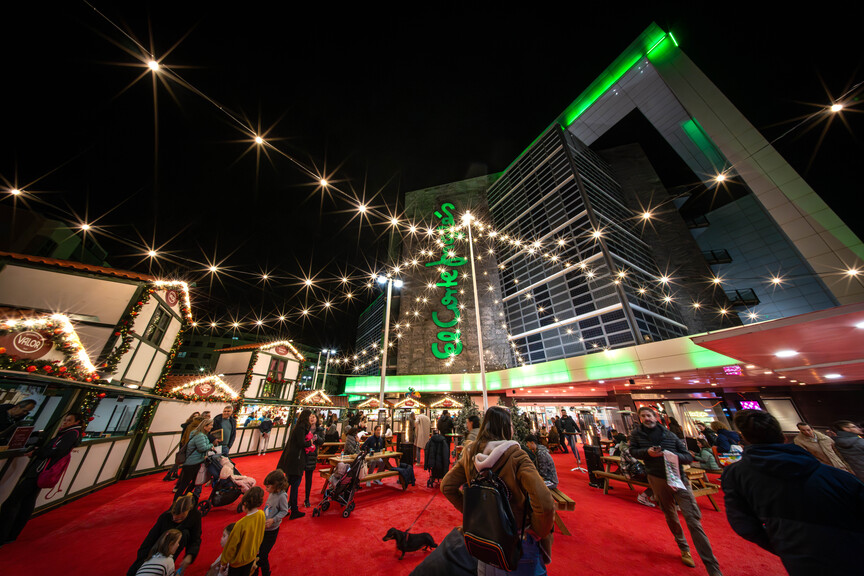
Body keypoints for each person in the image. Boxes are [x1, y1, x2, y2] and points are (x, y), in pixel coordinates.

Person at [722, 409, 864, 575]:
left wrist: (784, 545)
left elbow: (743, 524)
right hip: (852, 550)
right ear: (783, 436)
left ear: (744, 438)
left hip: (798, 557)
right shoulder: (836, 476)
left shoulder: (736, 474)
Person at [441, 406, 556, 575]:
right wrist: (537, 531)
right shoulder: (516, 456)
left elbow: (447, 486)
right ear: (504, 427)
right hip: (517, 543)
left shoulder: (470, 452)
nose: (513, 428)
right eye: (510, 425)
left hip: (484, 542)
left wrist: (475, 515)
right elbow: (545, 503)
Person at [629, 406, 722, 575]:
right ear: (640, 418)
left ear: (656, 416)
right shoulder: (637, 435)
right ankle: (683, 547)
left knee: (692, 519)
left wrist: (672, 456)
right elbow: (633, 452)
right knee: (670, 514)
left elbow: (687, 456)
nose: (646, 418)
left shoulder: (670, 434)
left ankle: (712, 567)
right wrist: (648, 453)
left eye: (649, 415)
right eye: (643, 416)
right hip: (657, 478)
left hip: (679, 478)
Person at [0, 411, 83, 545]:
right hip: (43, 471)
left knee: (13, 501)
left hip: (41, 470)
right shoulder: (70, 434)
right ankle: (11, 534)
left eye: (68, 420)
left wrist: (38, 452)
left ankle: (4, 534)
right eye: (65, 420)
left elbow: (56, 451)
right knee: (27, 501)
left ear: (76, 422)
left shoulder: (70, 434)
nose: (65, 422)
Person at [127, 494, 202, 576]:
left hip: (169, 550)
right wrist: (143, 561)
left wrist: (190, 555)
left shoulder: (195, 516)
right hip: (157, 549)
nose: (174, 519)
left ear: (188, 511)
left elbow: (195, 538)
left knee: (184, 534)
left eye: (180, 518)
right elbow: (149, 540)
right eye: (173, 516)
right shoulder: (165, 517)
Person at [220, 486, 266, 576]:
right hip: (252, 556)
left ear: (244, 504)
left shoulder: (240, 524)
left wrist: (224, 562)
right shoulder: (261, 514)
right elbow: (260, 534)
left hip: (238, 563)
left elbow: (231, 546)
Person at [277, 408, 312, 519]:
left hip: (292, 460)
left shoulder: (298, 427)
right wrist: (309, 443)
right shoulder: (301, 428)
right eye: (310, 416)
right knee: (294, 485)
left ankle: (281, 508)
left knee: (287, 485)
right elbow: (301, 443)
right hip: (296, 460)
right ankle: (293, 509)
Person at [175, 418, 219, 500]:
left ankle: (184, 499)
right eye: (210, 425)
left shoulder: (199, 435)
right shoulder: (200, 436)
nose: (212, 427)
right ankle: (178, 501)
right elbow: (202, 448)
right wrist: (211, 446)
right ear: (205, 427)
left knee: (193, 483)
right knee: (185, 484)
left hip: (194, 462)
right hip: (192, 463)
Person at [258, 470, 290, 576]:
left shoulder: (282, 496)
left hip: (271, 531)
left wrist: (274, 519)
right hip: (264, 527)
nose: (266, 489)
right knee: (258, 552)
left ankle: (266, 573)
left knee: (263, 555)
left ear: (276, 486)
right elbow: (269, 507)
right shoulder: (273, 493)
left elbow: (284, 511)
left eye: (268, 487)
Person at [303, 413, 324, 507]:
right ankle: (291, 500)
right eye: (310, 416)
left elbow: (322, 441)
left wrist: (317, 438)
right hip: (302, 454)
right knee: (297, 478)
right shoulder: (303, 428)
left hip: (312, 455)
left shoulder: (319, 430)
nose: (312, 418)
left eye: (314, 417)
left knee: (309, 478)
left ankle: (307, 498)